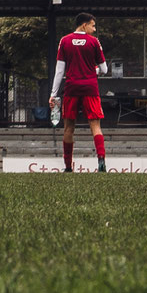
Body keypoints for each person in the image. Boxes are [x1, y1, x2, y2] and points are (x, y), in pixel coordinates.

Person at [49, 11, 109, 172]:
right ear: (84, 25)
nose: (94, 29)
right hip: (90, 87)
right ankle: (101, 159)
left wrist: (53, 95)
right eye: (93, 25)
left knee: (69, 127)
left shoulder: (65, 41)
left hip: (71, 87)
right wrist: (92, 70)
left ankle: (68, 166)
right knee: (95, 126)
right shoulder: (94, 42)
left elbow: (59, 71)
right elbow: (104, 69)